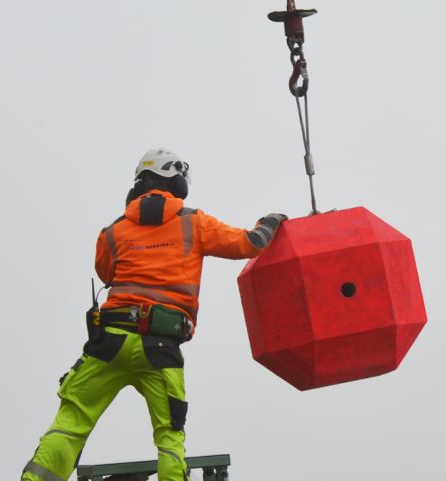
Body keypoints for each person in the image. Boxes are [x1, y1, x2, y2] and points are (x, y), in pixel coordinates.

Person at [21, 148, 286, 481]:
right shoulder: (194, 222)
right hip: (161, 347)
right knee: (169, 437)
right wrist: (272, 221)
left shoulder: (112, 232)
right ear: (175, 180)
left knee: (71, 422)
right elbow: (251, 243)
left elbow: (106, 273)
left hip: (110, 343)